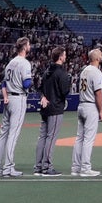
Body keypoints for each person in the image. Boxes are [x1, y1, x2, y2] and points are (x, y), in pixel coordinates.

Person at [0, 37, 33, 177]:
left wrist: (5, 96)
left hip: (8, 99)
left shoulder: (10, 63)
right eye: (29, 44)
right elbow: (26, 84)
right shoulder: (24, 63)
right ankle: (8, 168)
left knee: (3, 133)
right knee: (13, 134)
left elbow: (3, 84)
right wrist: (31, 80)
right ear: (25, 47)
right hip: (18, 98)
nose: (30, 46)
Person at [34, 47, 71, 176]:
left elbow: (39, 88)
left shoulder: (47, 71)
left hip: (45, 108)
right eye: (64, 55)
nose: (65, 57)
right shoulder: (61, 73)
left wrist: (43, 96)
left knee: (42, 137)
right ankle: (47, 166)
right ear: (60, 57)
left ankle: (38, 165)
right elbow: (65, 91)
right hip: (55, 108)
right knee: (51, 137)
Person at [71, 48, 102, 177]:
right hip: (90, 106)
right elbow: (98, 93)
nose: (101, 56)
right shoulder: (96, 72)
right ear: (96, 58)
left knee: (79, 138)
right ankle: (85, 168)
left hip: (81, 105)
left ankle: (76, 167)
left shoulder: (84, 70)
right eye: (100, 54)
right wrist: (101, 110)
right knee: (88, 139)